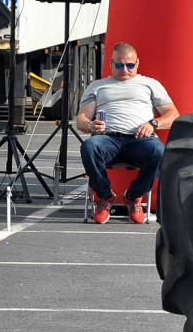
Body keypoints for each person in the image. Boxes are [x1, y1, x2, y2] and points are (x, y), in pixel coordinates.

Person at [77, 42, 180, 224]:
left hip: (140, 140)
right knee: (89, 146)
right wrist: (92, 126)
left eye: (130, 65)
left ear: (137, 63)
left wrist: (153, 123)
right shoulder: (98, 86)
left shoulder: (149, 84)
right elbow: (81, 119)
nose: (125, 69)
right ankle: (104, 196)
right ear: (110, 63)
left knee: (159, 151)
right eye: (119, 65)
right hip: (107, 138)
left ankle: (133, 197)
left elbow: (173, 115)